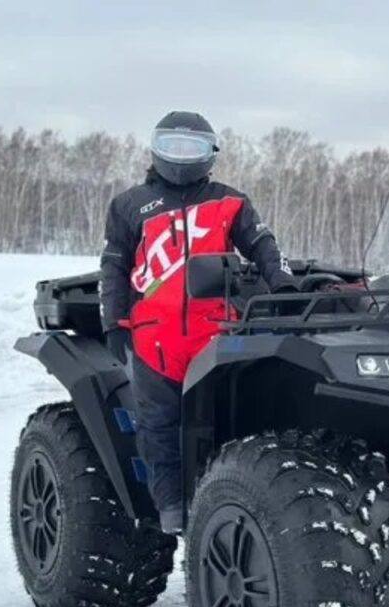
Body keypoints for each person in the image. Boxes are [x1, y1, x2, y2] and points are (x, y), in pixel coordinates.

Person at [99, 111, 296, 533]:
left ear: (211, 154)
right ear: (156, 149)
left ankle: (231, 506)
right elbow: (114, 267)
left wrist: (280, 284)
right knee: (158, 426)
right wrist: (113, 322)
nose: (183, 157)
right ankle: (170, 509)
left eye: (195, 148)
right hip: (154, 336)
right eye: (173, 146)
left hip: (218, 334)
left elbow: (262, 244)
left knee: (229, 421)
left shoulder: (231, 201)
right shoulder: (130, 205)